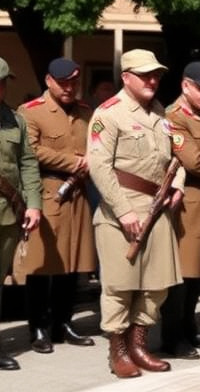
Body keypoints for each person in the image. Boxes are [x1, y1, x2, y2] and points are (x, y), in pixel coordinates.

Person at [87, 49, 186, 378]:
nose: (153, 80)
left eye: (156, 74)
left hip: (157, 210)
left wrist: (178, 186)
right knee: (119, 285)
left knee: (156, 285)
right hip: (122, 211)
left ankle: (139, 344)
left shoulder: (160, 113)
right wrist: (124, 210)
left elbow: (175, 158)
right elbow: (99, 167)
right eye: (145, 75)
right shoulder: (108, 113)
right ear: (125, 77)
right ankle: (118, 350)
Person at [16, 58, 96, 355]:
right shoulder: (32, 111)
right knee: (42, 265)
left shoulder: (86, 112)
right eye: (63, 82)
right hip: (49, 191)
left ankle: (64, 323)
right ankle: (37, 326)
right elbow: (32, 150)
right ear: (48, 81)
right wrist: (74, 161)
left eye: (74, 82)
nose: (69, 88)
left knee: (72, 263)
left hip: (79, 193)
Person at [158, 61, 200, 359]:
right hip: (188, 205)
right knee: (182, 274)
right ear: (185, 86)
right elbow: (194, 161)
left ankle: (190, 328)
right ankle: (173, 336)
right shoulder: (174, 117)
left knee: (197, 274)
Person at [0, 58, 42, 370]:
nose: (2, 88)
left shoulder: (16, 120)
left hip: (7, 214)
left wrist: (34, 204)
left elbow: (27, 163)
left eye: (4, 82)